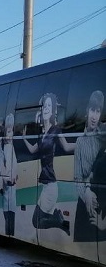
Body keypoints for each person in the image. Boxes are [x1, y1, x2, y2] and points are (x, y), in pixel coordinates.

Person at [22, 92, 74, 231]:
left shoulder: (55, 130)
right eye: (44, 105)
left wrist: (82, 141)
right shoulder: (42, 135)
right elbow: (33, 150)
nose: (46, 108)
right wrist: (24, 138)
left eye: (49, 106)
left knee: (36, 221)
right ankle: (57, 218)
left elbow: (67, 146)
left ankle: (58, 220)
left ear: (52, 111)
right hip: (45, 185)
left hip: (51, 185)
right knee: (37, 220)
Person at [71, 90, 104, 242]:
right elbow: (77, 178)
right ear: (87, 111)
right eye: (92, 110)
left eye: (98, 111)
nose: (94, 116)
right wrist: (86, 195)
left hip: (102, 201)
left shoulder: (103, 138)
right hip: (85, 205)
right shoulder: (80, 142)